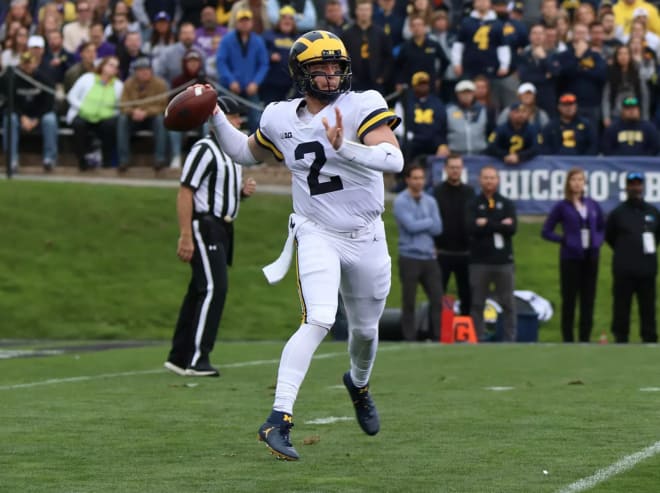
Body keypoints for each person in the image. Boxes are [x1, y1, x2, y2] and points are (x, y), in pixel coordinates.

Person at [205, 30, 403, 460]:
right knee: (319, 318)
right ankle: (279, 418)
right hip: (317, 231)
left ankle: (359, 383)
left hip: (367, 234)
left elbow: (394, 159)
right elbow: (244, 152)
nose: (331, 76)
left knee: (366, 333)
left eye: (336, 68)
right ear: (300, 74)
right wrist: (215, 115)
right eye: (320, 69)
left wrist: (343, 147)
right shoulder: (279, 117)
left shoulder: (362, 104)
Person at [164, 96, 257, 378]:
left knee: (198, 290)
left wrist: (241, 194)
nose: (239, 122)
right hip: (206, 225)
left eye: (240, 117)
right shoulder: (204, 149)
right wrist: (185, 234)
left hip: (224, 227)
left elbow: (217, 192)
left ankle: (179, 356)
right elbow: (186, 191)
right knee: (215, 288)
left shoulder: (233, 152)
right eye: (233, 116)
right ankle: (198, 358)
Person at [541, 168, 605, 343]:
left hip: (590, 257)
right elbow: (546, 231)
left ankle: (585, 337)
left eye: (580, 180)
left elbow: (601, 226)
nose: (577, 183)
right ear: (568, 183)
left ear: (585, 183)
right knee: (569, 299)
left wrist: (597, 241)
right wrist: (564, 240)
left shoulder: (592, 205)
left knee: (588, 299)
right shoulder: (562, 207)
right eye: (574, 179)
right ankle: (568, 338)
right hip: (570, 258)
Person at [605, 172, 660, 343]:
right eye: (631, 184)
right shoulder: (617, 213)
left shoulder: (653, 212)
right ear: (626, 187)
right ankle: (621, 337)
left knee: (648, 307)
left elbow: (656, 237)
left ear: (642, 187)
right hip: (624, 269)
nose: (635, 187)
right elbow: (610, 236)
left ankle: (649, 337)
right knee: (621, 306)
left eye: (638, 184)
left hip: (647, 268)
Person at [393, 164, 443, 341]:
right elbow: (410, 226)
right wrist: (428, 221)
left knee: (437, 298)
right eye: (415, 178)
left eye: (421, 178)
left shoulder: (431, 201)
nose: (419, 181)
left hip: (429, 256)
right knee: (409, 300)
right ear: (407, 180)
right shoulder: (400, 201)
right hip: (409, 256)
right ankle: (409, 337)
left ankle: (437, 335)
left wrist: (422, 223)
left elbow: (438, 228)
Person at [467, 165, 517, 341]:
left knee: (508, 303)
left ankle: (509, 338)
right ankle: (478, 337)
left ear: (498, 180)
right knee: (478, 302)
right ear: (480, 180)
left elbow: (512, 228)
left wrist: (486, 223)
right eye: (486, 177)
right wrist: (499, 223)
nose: (489, 181)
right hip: (480, 261)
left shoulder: (507, 203)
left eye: (492, 177)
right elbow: (471, 228)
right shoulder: (473, 204)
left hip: (503, 261)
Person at [433, 153, 475, 317]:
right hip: (442, 252)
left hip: (466, 253)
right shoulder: (436, 193)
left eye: (458, 167)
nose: (455, 171)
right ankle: (436, 331)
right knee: (438, 294)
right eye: (452, 167)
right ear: (445, 169)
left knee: (467, 294)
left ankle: (467, 330)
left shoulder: (470, 192)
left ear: (462, 169)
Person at [1, 51, 58, 171]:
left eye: (29, 63)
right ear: (21, 64)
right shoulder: (12, 78)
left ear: (35, 63)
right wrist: (23, 117)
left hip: (39, 116)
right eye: (24, 63)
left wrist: (37, 119)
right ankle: (12, 160)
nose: (27, 66)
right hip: (19, 115)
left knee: (50, 119)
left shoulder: (44, 78)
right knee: (9, 119)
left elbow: (49, 103)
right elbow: (9, 102)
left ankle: (49, 159)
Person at [66, 55, 123, 170]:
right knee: (78, 124)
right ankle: (82, 160)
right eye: (111, 65)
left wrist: (111, 114)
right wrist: (83, 107)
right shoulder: (87, 78)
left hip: (105, 118)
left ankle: (106, 162)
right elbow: (71, 96)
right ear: (102, 66)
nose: (113, 69)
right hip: (83, 114)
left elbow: (120, 107)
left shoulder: (119, 86)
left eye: (116, 67)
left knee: (110, 125)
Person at [117, 57, 169, 171]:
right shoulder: (128, 83)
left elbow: (163, 105)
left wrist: (146, 112)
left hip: (152, 118)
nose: (144, 72)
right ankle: (123, 160)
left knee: (160, 120)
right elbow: (123, 104)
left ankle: (160, 159)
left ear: (151, 70)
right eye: (140, 70)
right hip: (133, 118)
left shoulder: (160, 84)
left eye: (147, 69)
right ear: (135, 72)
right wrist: (133, 111)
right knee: (122, 119)